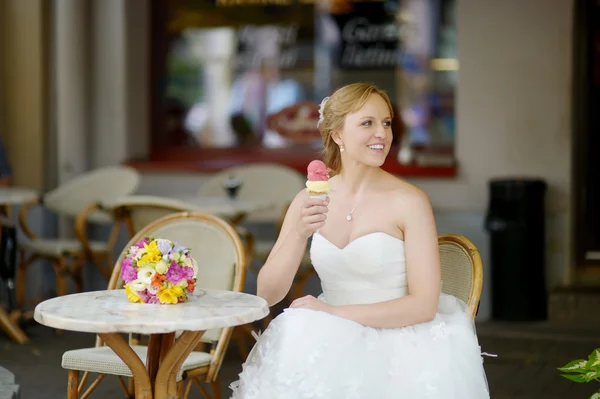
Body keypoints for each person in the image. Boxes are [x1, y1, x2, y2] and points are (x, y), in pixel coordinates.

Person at [230, 83, 490, 399]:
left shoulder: (410, 201)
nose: (382, 133)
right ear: (337, 134)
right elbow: (267, 295)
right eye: (367, 123)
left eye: (387, 123)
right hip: (325, 337)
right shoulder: (308, 199)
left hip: (401, 342)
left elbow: (423, 306)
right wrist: (299, 233)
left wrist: (333, 314)